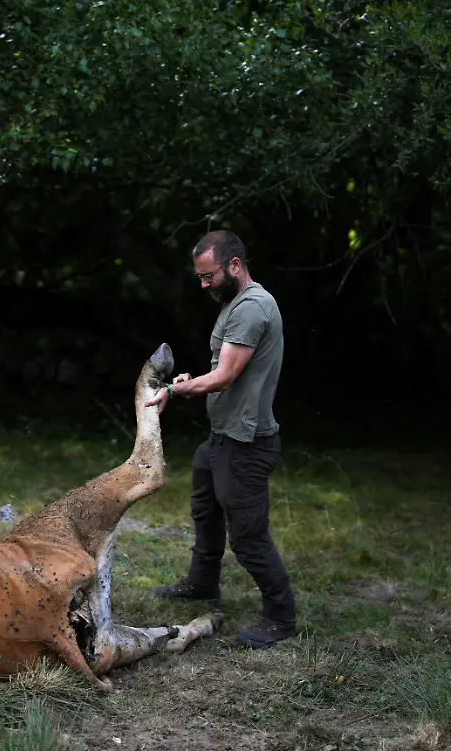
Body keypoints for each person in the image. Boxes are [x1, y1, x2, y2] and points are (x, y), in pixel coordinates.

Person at [144, 229, 296, 649]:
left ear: (234, 265)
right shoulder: (235, 304)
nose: (203, 283)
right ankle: (202, 583)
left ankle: (281, 616)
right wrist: (192, 382)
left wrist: (175, 391)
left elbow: (227, 375)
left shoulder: (252, 308)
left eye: (208, 275)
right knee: (205, 507)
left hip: (246, 444)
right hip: (222, 439)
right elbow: (224, 372)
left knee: (247, 535)